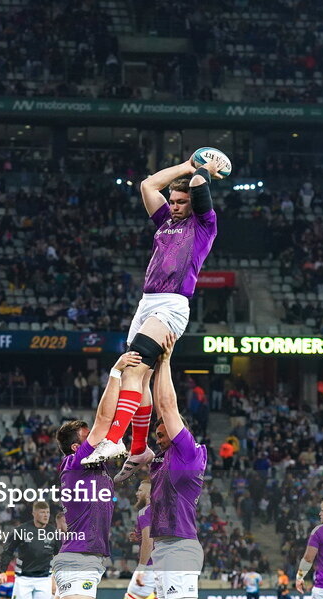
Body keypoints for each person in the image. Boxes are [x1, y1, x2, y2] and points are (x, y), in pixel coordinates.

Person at [15, 350, 140, 599]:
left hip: (77, 556)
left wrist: (124, 477)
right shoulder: (79, 460)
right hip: (81, 558)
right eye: (89, 439)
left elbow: (101, 488)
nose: (98, 441)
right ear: (76, 446)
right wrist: (116, 373)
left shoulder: (92, 470)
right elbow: (106, 418)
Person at [83, 154, 222, 480]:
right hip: (147, 303)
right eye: (172, 201)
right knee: (140, 376)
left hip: (171, 305)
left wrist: (201, 170)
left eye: (180, 202)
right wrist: (187, 166)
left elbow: (201, 184)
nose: (173, 206)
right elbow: (148, 185)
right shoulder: (166, 223)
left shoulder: (203, 225)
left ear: (192, 204)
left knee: (133, 368)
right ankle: (139, 449)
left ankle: (114, 440)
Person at [148, 334, 231, 599]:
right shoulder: (163, 459)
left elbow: (166, 405)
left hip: (181, 546)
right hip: (163, 548)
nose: (157, 433)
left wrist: (164, 361)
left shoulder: (188, 453)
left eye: (161, 431)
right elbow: (151, 414)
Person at [123, 480, 169, 599]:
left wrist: (141, 569)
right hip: (168, 566)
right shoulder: (167, 510)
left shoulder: (146, 511)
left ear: (149, 493)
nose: (137, 493)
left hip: (150, 567)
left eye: (140, 490)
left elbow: (148, 543)